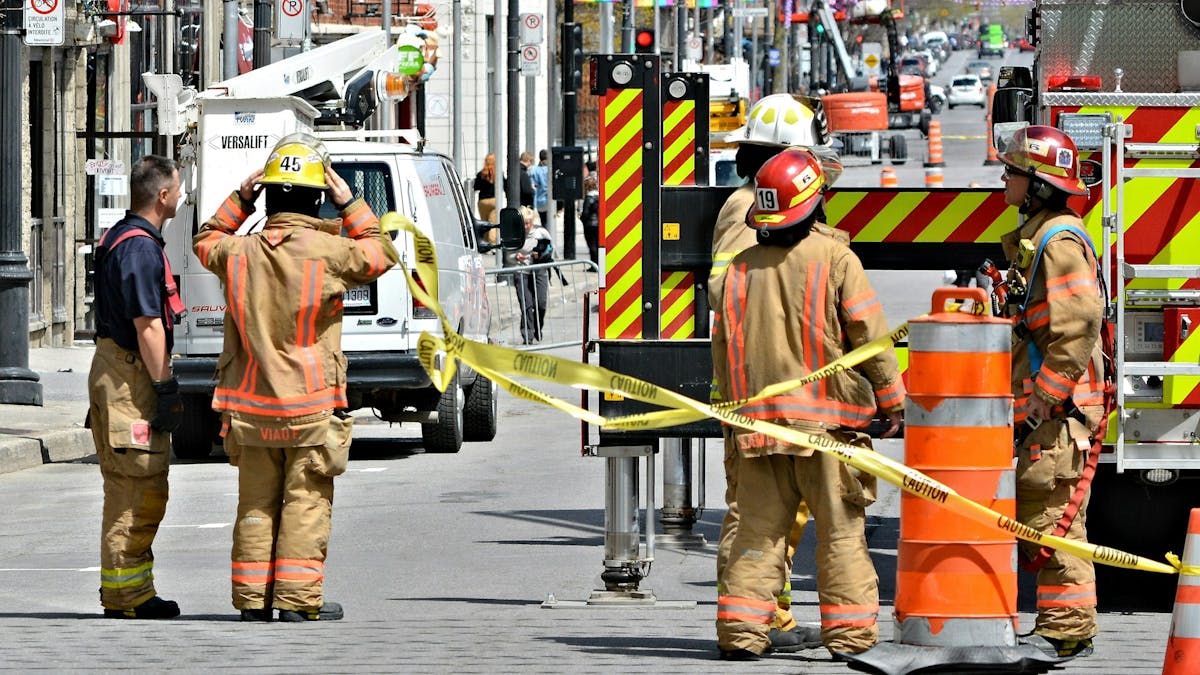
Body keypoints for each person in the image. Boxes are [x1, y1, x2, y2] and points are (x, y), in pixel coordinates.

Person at [193, 133, 399, 622]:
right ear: (316, 197)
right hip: (308, 404)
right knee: (305, 501)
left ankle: (251, 602)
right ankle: (297, 601)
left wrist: (241, 199)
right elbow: (381, 253)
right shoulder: (327, 251)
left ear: (269, 194)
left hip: (250, 407)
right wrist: (349, 202)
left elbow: (205, 240)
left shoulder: (239, 252)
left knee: (255, 504)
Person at [713, 148, 904, 661]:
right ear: (816, 202)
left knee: (755, 536)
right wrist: (892, 401)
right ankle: (850, 639)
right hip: (827, 433)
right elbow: (870, 339)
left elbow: (724, 351)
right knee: (841, 537)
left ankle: (741, 634)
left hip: (756, 432)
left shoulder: (736, 270)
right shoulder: (836, 259)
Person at [709, 93, 845, 653]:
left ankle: (769, 616)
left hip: (780, 385)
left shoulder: (761, 207)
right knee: (757, 512)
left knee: (786, 510)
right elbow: (732, 291)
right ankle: (756, 620)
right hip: (761, 389)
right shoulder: (749, 212)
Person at [998, 125, 1104, 659]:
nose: (1004, 179)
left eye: (1013, 172)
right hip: (1047, 411)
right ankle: (1066, 626)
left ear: (1038, 184)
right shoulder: (1039, 235)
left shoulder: (1057, 241)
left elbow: (1079, 324)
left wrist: (1045, 395)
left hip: (1056, 415)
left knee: (1052, 516)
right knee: (1046, 513)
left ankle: (1066, 628)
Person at [88, 154, 186, 620]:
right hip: (129, 377)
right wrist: (165, 386)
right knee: (137, 488)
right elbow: (149, 326)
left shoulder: (120, 236)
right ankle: (128, 596)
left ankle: (128, 592)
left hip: (113, 369)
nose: (182, 195)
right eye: (179, 188)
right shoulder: (141, 249)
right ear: (162, 195)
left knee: (128, 486)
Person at [512, 206, 552, 344]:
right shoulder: (515, 235)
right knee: (527, 305)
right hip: (521, 271)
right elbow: (506, 255)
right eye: (522, 223)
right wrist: (516, 257)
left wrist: (540, 255)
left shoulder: (541, 233)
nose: (525, 226)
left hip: (539, 270)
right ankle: (527, 335)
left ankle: (537, 328)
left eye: (527, 223)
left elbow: (550, 250)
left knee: (541, 304)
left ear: (532, 222)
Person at [473, 153, 498, 242]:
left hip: (482, 201)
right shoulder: (498, 174)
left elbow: (476, 187)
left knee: (484, 223)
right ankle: (492, 243)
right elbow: (505, 185)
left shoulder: (481, 174)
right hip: (494, 201)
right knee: (493, 223)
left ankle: (484, 242)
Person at [581, 160, 600, 266]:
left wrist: (582, 218)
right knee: (598, 245)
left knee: (591, 245)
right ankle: (598, 263)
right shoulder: (599, 197)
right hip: (598, 224)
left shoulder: (589, 198)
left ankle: (594, 265)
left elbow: (586, 213)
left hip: (589, 225)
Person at [530, 149, 550, 226]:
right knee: (549, 222)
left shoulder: (534, 170)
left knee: (543, 221)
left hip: (539, 202)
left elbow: (533, 186)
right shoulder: (550, 170)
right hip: (549, 201)